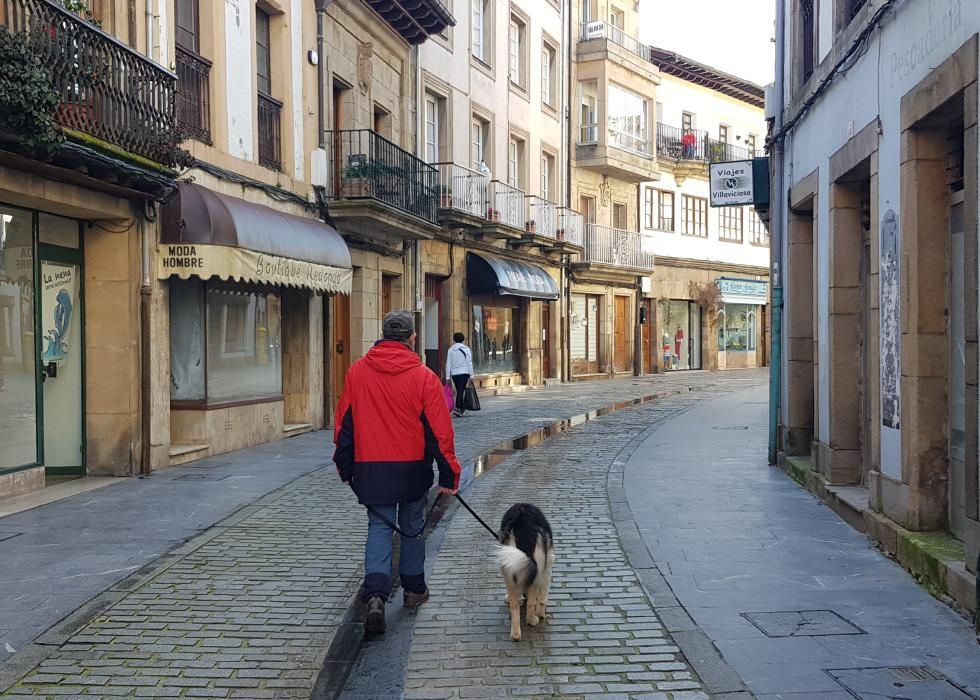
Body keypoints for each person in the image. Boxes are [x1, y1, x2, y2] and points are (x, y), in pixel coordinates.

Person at [333, 309, 462, 635]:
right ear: (412, 338)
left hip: (370, 467)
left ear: (384, 335)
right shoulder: (423, 377)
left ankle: (375, 594)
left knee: (379, 526)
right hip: (411, 468)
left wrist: (345, 464)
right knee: (412, 526)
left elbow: (344, 424)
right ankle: (414, 589)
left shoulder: (357, 372)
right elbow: (439, 432)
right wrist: (449, 474)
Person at [446, 332, 474, 417]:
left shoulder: (450, 350)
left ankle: (461, 408)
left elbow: (448, 364)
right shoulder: (466, 349)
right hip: (464, 372)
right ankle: (458, 408)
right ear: (463, 339)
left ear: (454, 339)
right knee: (461, 390)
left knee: (459, 390)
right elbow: (469, 362)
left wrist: (448, 377)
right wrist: (471, 375)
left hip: (454, 374)